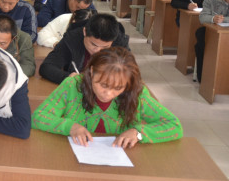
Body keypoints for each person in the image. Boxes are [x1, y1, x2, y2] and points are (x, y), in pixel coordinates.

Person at [32, 47, 183, 147]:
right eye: (103, 85)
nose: (108, 94)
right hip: (75, 156)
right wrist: (70, 127)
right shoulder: (72, 86)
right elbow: (38, 117)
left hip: (121, 163)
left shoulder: (137, 94)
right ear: (92, 72)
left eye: (118, 88)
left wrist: (138, 133)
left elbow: (174, 126)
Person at [39, 13, 130, 84]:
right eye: (93, 44)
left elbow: (129, 71)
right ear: (84, 32)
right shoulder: (72, 38)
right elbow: (46, 67)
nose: (98, 51)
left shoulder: (119, 42)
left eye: (105, 47)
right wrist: (68, 77)